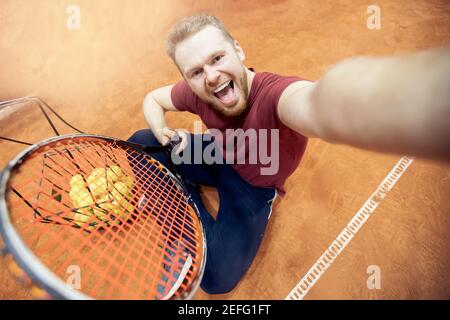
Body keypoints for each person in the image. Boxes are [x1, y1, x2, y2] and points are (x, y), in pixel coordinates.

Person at [128, 13, 450, 294]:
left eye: (216, 58)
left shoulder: (275, 96)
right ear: (187, 79)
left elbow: (319, 102)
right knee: (140, 143)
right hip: (216, 155)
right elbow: (152, 101)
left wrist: (420, 98)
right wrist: (164, 133)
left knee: (214, 278)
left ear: (238, 50)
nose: (210, 76)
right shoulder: (198, 93)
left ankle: (182, 199)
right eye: (195, 72)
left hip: (252, 189)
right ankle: (185, 191)